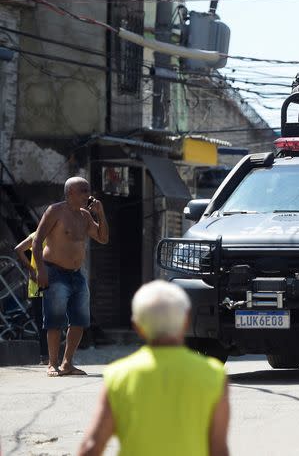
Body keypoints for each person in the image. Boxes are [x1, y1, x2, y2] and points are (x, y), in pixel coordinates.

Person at [78, 280, 230, 456]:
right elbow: (218, 449)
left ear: (137, 326)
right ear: (186, 320)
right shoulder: (214, 375)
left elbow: (91, 447)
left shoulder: (118, 375)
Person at [32, 176, 109, 377]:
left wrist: (101, 214)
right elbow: (37, 241)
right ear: (70, 193)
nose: (87, 194)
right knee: (54, 319)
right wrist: (40, 270)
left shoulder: (85, 216)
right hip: (54, 271)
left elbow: (103, 238)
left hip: (77, 275)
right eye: (83, 190)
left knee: (80, 320)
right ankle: (52, 364)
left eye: (88, 190)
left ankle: (67, 363)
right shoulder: (55, 211)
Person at [14, 232, 49, 364]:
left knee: (42, 322)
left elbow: (19, 250)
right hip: (45, 284)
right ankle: (47, 356)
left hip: (39, 284)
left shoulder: (36, 235)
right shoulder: (49, 236)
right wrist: (31, 269)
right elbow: (18, 249)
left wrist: (31, 269)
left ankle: (45, 356)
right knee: (48, 322)